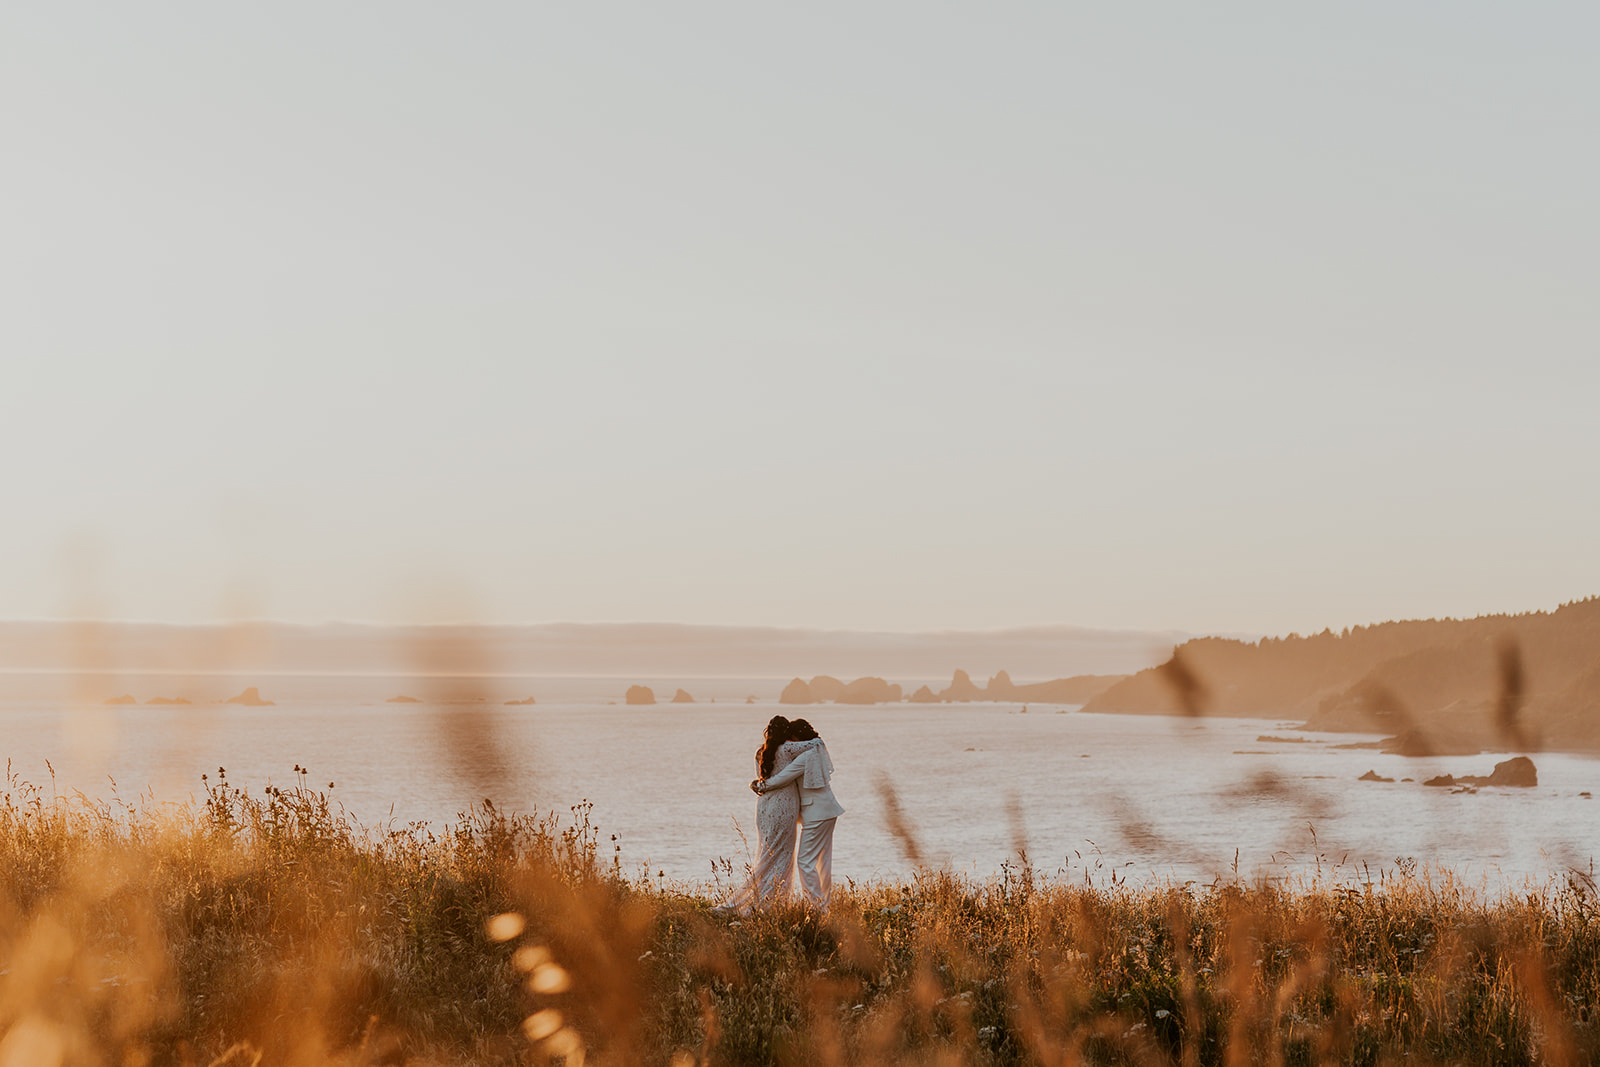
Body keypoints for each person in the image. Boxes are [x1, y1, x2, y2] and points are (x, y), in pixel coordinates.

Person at [753, 718, 843, 911]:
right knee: (823, 861)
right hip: (827, 810)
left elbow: (783, 778)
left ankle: (817, 907)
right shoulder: (814, 753)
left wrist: (760, 785)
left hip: (817, 813)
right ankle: (824, 904)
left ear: (797, 737)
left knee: (805, 861)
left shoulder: (806, 757)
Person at [714, 716, 801, 914]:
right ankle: (769, 904)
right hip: (785, 806)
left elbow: (761, 780)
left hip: (764, 807)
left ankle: (760, 902)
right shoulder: (788, 750)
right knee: (783, 856)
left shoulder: (760, 753)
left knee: (766, 855)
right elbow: (813, 747)